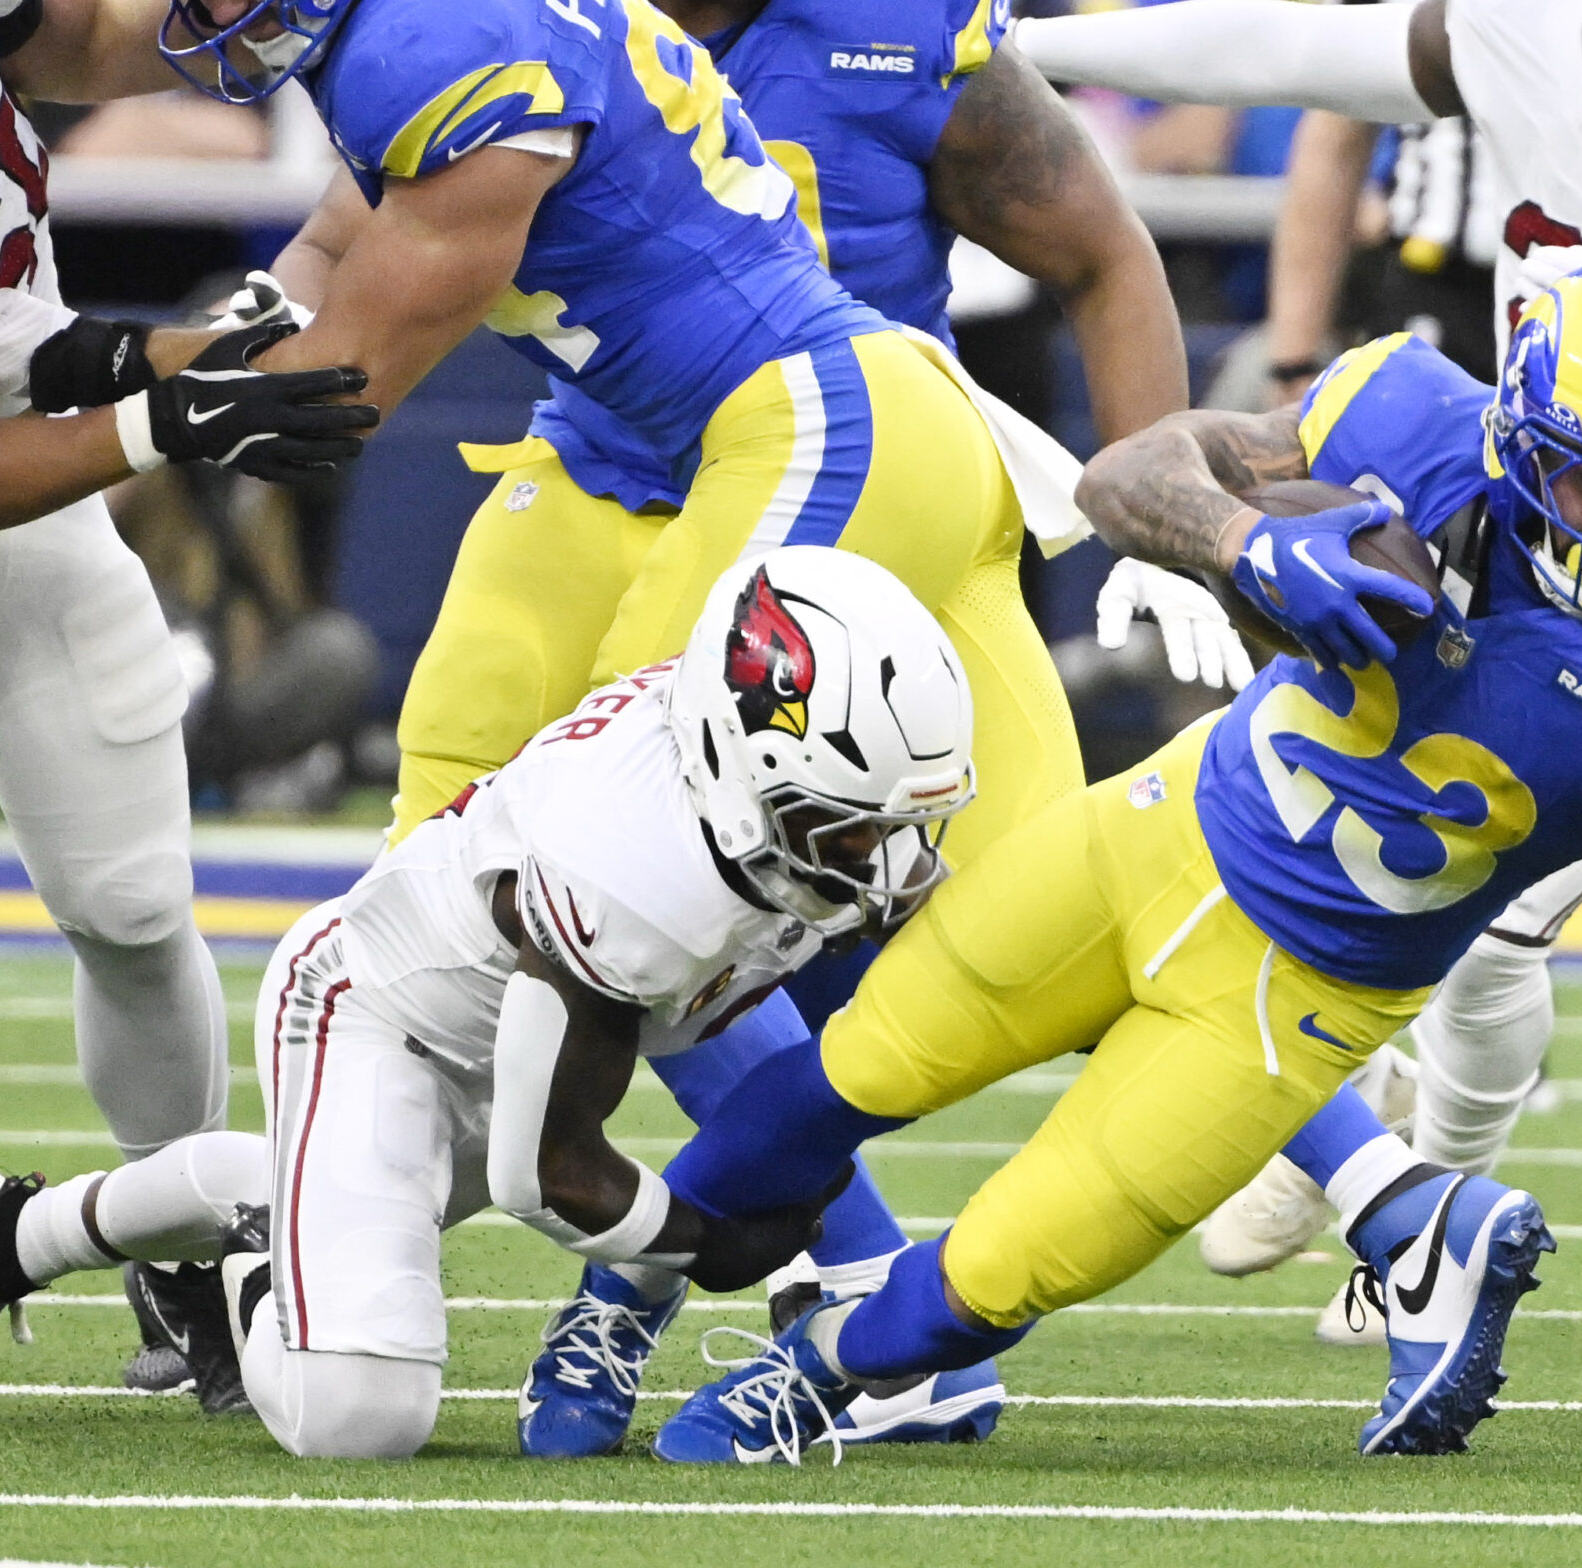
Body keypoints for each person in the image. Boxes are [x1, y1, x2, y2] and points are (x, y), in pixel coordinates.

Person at [152, 0, 1223, 1452]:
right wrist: (217, 338)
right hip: (664, 459)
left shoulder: (470, 39)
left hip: (818, 436)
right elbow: (340, 249)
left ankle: (809, 1288)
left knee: (727, 882)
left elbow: (330, 388)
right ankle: (161, 1229)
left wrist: (52, 409)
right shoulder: (452, 37)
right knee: (463, 923)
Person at [641, 257, 1582, 1464]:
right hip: (1152, 835)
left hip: (1291, 1003)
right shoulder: (1404, 411)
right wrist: (1240, 543)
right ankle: (614, 1298)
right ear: (1521, 433)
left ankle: (808, 1377)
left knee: (1007, 1261)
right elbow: (1126, 474)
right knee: (846, 1070)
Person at [1017, 0, 1582, 1309]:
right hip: (1514, 489)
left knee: (1505, 909)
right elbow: (1288, 59)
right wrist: (1022, 40)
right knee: (1384, 840)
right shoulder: (1520, 34)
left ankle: (1418, 1214)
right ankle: (1399, 1178)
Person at [0, 548, 975, 1458]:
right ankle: (252, 1258)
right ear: (746, 772)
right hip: (380, 1018)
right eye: (849, 828)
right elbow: (542, 1171)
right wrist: (710, 1246)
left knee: (347, 1187)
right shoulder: (633, 871)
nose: (885, 863)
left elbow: (755, 1046)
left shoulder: (741, 800)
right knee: (361, 1412)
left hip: (499, 1024)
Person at [0, 0, 379, 1413]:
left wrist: (280, 36)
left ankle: (175, 1234)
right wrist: (151, 417)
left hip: (23, 498)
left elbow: (112, 44)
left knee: (132, 911)